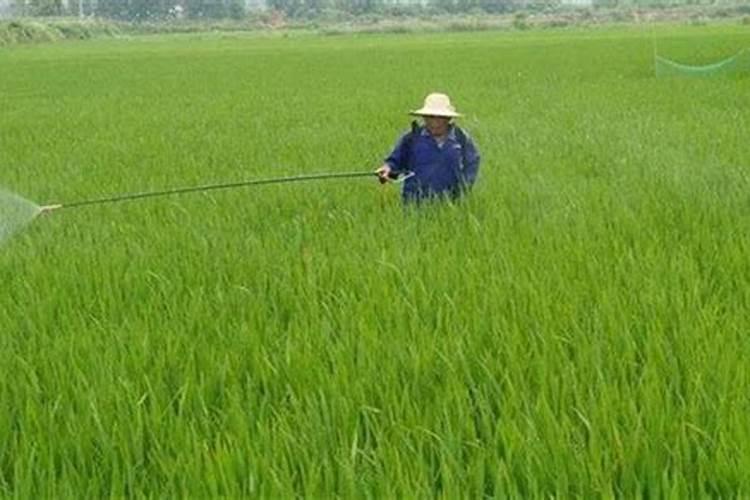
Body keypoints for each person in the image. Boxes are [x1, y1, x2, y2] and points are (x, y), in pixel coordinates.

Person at [377, 92, 480, 203]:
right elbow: (395, 162)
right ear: (424, 117)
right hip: (414, 204)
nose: (435, 122)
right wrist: (387, 169)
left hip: (450, 203)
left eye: (440, 117)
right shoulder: (412, 139)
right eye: (431, 117)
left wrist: (463, 189)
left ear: (448, 118)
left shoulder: (460, 138)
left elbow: (472, 163)